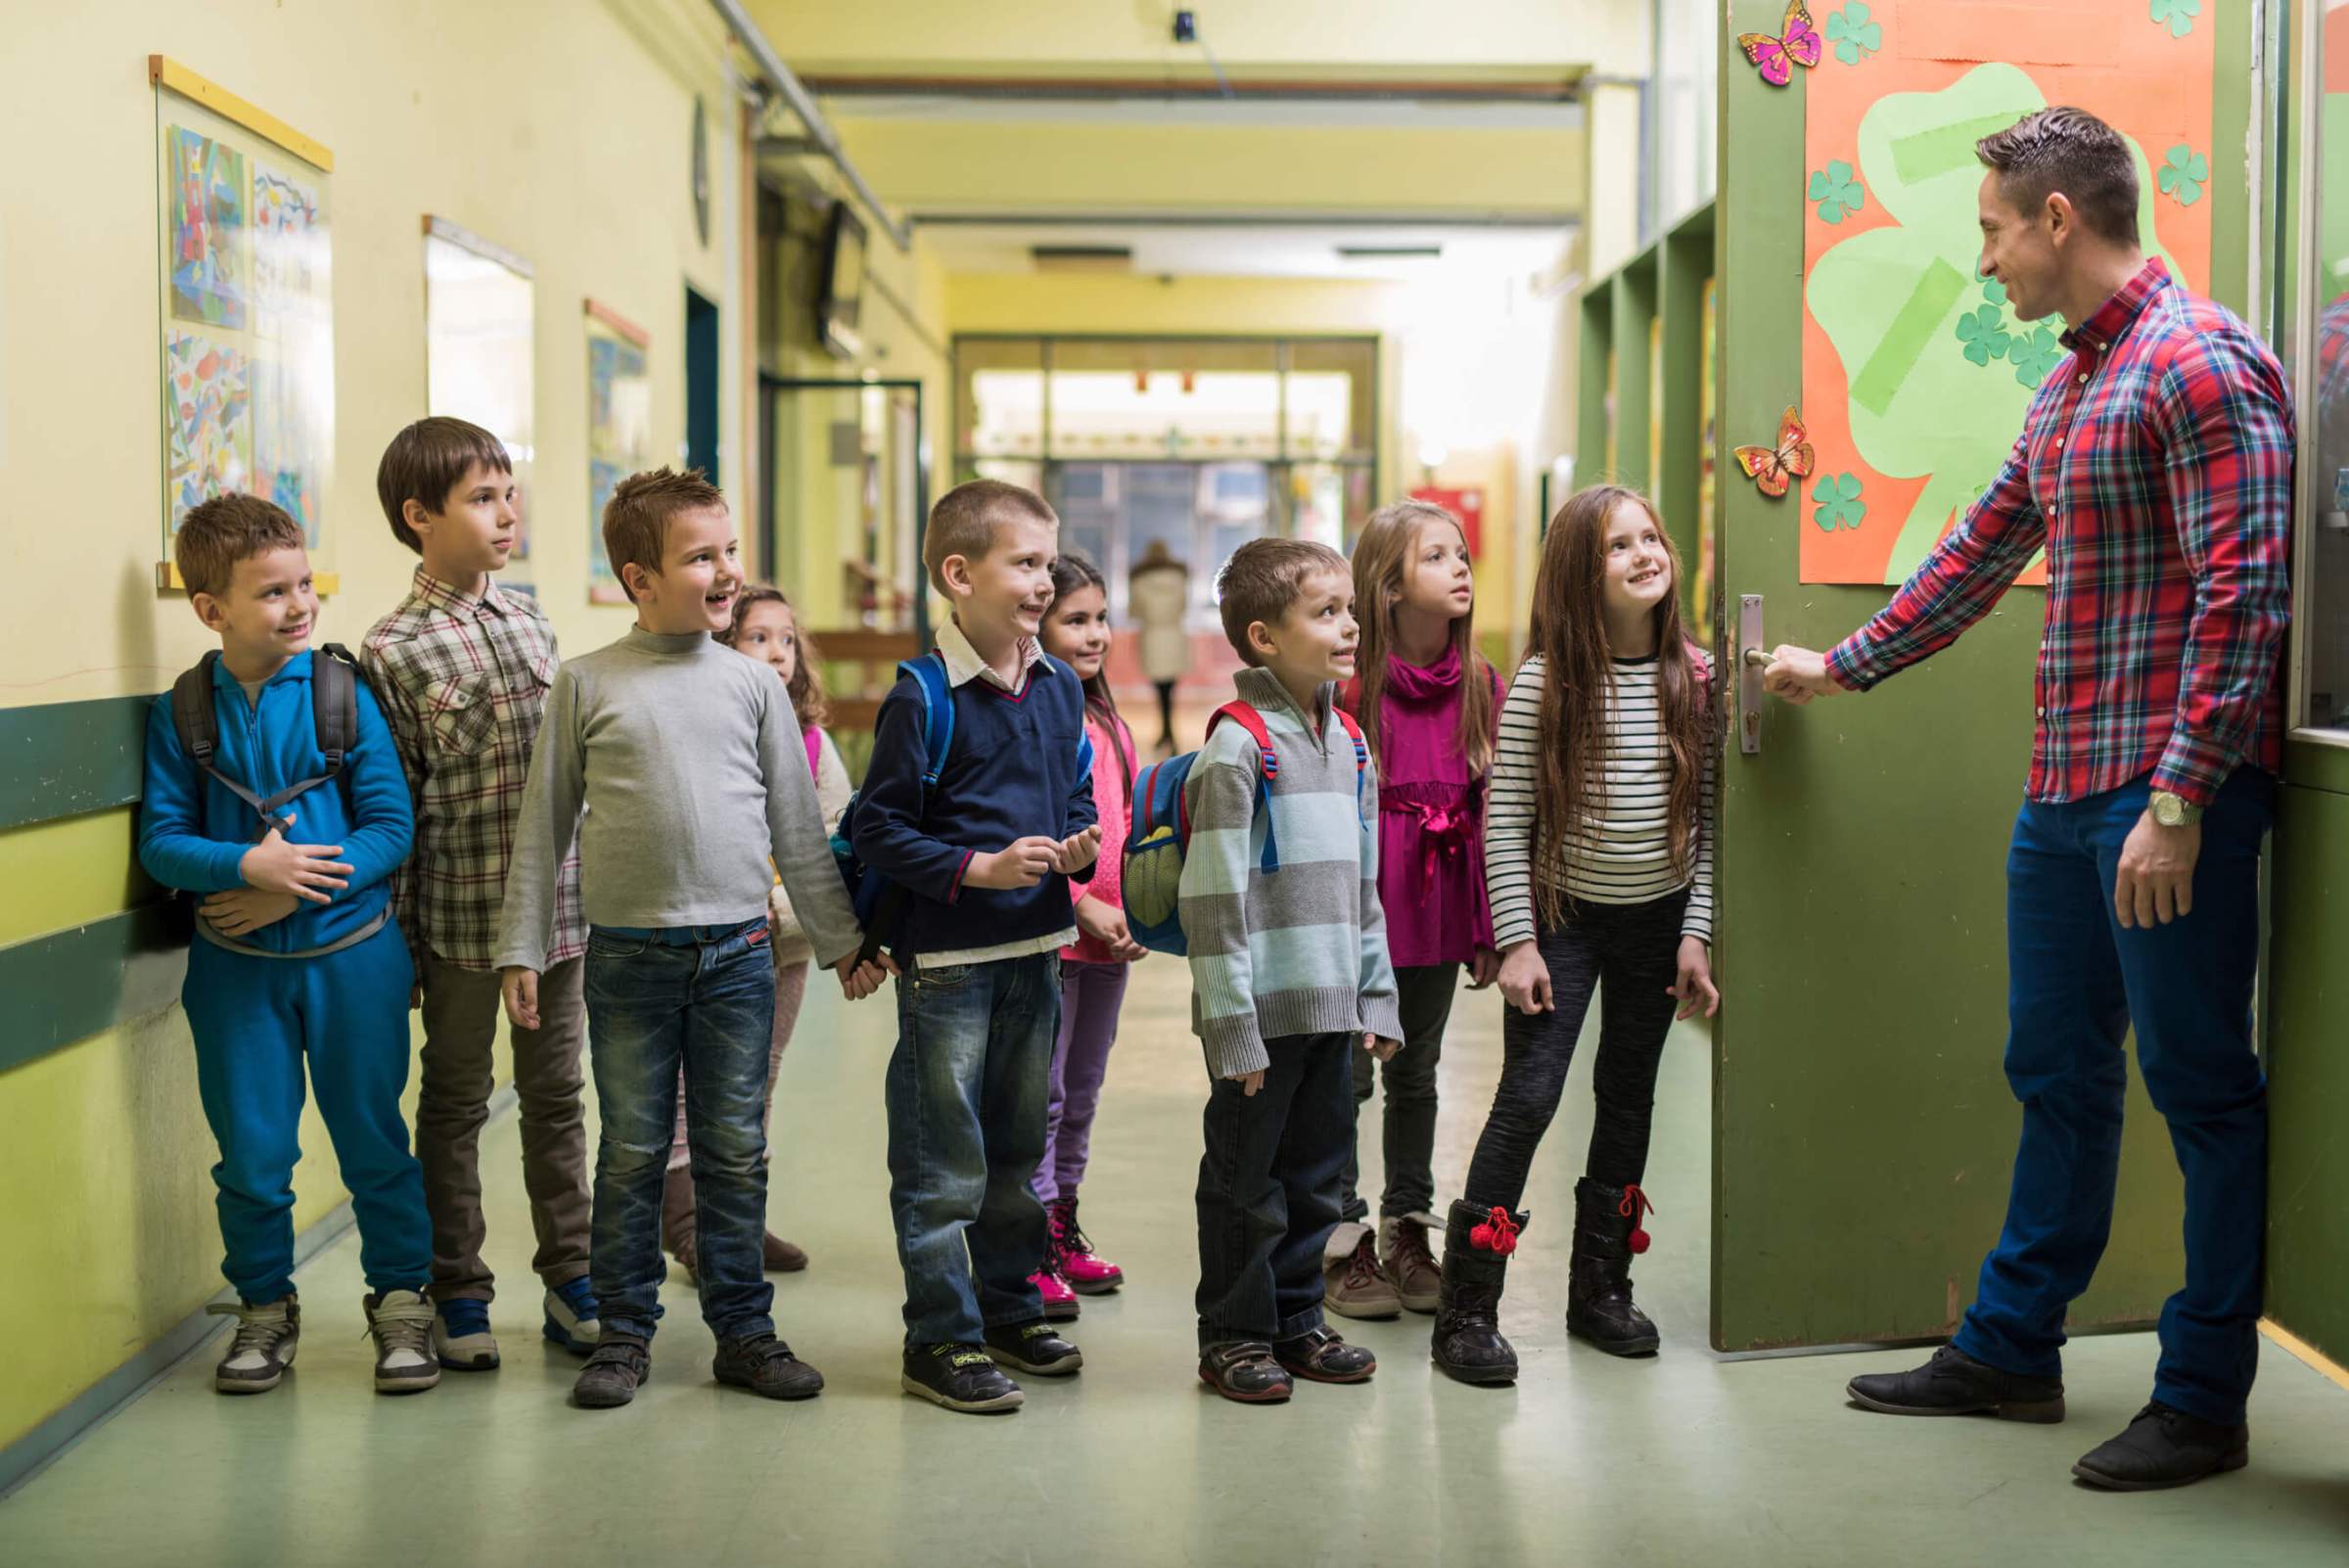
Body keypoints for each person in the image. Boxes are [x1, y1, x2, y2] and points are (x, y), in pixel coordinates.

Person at [1763, 107, 2292, 1492]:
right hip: (2063, 796)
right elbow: (1982, 548)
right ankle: (2010, 1346)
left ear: (2061, 217)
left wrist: (2180, 796)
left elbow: (2250, 596)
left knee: (2200, 1090)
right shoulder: (2069, 388)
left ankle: (2202, 1394)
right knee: (2053, 1071)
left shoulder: (2201, 361)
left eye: (1995, 225)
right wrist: (1844, 667)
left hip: (2164, 799)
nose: (1985, 255)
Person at [495, 468, 887, 1411]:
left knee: (734, 1147)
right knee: (632, 1148)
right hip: (627, 959)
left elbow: (797, 830)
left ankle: (744, 1330)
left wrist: (841, 942)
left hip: (739, 956)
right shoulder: (586, 682)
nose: (725, 572)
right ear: (638, 578)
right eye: (701, 557)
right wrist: (521, 945)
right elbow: (543, 825)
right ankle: (623, 1334)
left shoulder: (755, 684)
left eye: (731, 553)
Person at [139, 493, 438, 1397]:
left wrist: (293, 885)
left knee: (374, 1143)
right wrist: (245, 867)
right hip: (237, 979)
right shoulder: (183, 710)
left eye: (305, 584)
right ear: (210, 609)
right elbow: (161, 840)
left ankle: (400, 1305)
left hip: (356, 962)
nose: (299, 605)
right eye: (272, 592)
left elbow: (392, 827)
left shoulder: (345, 694)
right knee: (255, 1157)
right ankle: (264, 1312)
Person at [1434, 484, 1719, 1384]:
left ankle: (1601, 1290)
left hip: (1658, 924)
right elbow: (1506, 817)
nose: (1643, 554)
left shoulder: (1695, 679)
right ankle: (1467, 1312)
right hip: (1562, 922)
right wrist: (1517, 941)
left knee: (1628, 1098)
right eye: (1615, 546)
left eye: (1651, 537)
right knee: (1530, 1098)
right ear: (1576, 575)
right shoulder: (1545, 680)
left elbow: (1711, 825)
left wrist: (1697, 934)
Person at [852, 479, 1101, 1414]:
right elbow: (879, 830)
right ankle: (939, 1340)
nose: (1043, 583)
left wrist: (1076, 848)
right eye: (1024, 563)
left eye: (1048, 562)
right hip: (950, 970)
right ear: (959, 575)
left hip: (1037, 954)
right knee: (941, 1164)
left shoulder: (1058, 688)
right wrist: (976, 868)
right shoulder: (923, 695)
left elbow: (1075, 796)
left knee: (1013, 1152)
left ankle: (1007, 1307)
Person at [359, 417, 601, 1373]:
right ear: (421, 517)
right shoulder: (393, 651)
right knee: (455, 1101)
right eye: (484, 497)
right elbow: (398, 808)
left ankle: (571, 1277)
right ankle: (458, 1288)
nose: (509, 513)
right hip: (458, 923)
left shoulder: (532, 616)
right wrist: (404, 944)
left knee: (556, 1098)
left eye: (511, 492)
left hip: (561, 919)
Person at [1182, 536, 1404, 1405]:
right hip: (1259, 1020)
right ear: (1265, 637)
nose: (1350, 626)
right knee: (1246, 1185)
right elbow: (1211, 900)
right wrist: (1230, 1025)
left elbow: (1366, 888)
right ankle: (1233, 1335)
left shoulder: (1350, 743)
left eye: (1350, 610)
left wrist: (1375, 995)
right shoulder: (1238, 750)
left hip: (1333, 1010)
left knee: (1318, 1181)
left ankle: (1298, 1317)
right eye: (1327, 612)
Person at [1327, 500, 1498, 1320]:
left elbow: (1500, 813)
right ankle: (1339, 1235)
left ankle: (1407, 1227)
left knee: (1417, 1075)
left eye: (1462, 553)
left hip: (1436, 912)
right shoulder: (1346, 687)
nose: (1461, 567)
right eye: (1438, 557)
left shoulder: (1482, 687)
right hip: (1357, 917)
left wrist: (1494, 929)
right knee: (1347, 1075)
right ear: (1388, 588)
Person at [661, 585, 854, 1282]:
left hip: (782, 942)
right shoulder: (698, 727)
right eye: (756, 637)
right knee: (693, 1082)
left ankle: (739, 1220)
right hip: (708, 939)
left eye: (786, 639)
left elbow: (837, 840)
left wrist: (783, 907)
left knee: (757, 1080)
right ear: (722, 646)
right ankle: (687, 1224)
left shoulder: (812, 743)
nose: (776, 652)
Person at [1031, 550, 1146, 1314]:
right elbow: (1024, 833)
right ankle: (1030, 1238)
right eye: (1076, 620)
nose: (1095, 634)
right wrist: (1078, 901)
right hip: (1051, 938)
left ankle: (1066, 1221)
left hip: (1111, 942)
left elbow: (1128, 825)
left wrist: (1139, 900)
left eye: (1101, 618)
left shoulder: (1107, 718)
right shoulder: (1036, 716)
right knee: (1040, 1095)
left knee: (1082, 1091)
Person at [1129, 537, 1190, 753]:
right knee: (1170, 689)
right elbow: (1183, 607)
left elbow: (1134, 611)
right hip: (1174, 635)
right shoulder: (1179, 578)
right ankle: (1167, 732)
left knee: (1159, 689)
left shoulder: (1139, 580)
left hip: (1152, 636)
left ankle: (1166, 732)